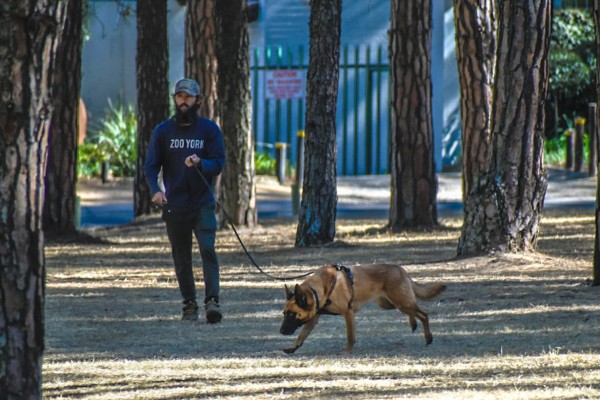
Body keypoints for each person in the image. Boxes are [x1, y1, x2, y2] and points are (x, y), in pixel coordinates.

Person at [144, 78, 225, 323]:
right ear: (174, 100)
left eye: (188, 97)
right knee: (181, 257)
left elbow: (218, 164)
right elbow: (150, 167)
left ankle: (213, 302)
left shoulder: (209, 130)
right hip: (175, 205)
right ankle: (189, 304)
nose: (183, 101)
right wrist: (155, 190)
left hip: (202, 203)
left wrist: (201, 163)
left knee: (208, 249)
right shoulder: (163, 131)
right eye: (179, 97)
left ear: (198, 100)